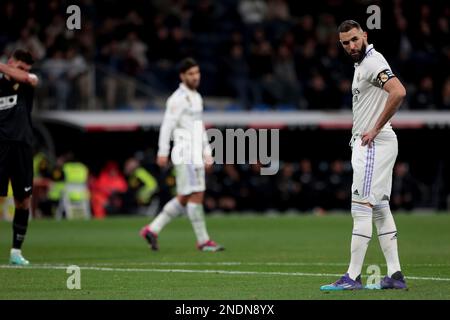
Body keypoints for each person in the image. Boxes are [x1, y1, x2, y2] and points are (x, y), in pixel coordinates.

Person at [320, 21, 407, 290]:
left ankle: (352, 277)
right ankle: (394, 275)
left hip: (373, 144)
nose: (351, 46)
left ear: (364, 36)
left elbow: (398, 91)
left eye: (355, 40)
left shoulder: (372, 62)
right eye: (345, 43)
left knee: (360, 207)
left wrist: (374, 128)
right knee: (380, 207)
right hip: (376, 142)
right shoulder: (362, 65)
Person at [140, 58, 224, 252]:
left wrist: (206, 151)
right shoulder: (177, 99)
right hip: (185, 152)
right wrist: (163, 151)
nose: (195, 77)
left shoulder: (196, 97)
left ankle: (152, 229)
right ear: (182, 76)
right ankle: (203, 241)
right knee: (196, 193)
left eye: (197, 72)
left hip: (195, 151)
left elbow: (198, 126)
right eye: (191, 74)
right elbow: (167, 125)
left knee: (185, 196)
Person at [0, 49, 39, 265]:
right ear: (10, 62)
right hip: (1, 147)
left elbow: (27, 78)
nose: (25, 72)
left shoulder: (28, 81)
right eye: (21, 66)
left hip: (22, 148)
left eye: (27, 68)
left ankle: (16, 252)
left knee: (23, 201)